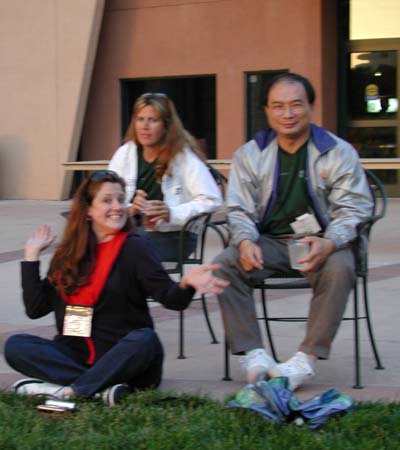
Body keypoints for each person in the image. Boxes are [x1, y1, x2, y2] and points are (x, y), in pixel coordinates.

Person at [5, 170, 228, 405]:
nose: (118, 207)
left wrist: (186, 284)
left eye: (121, 199)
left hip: (128, 362)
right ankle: (99, 390)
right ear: (88, 211)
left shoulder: (134, 248)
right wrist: (31, 258)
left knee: (145, 338)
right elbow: (35, 308)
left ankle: (70, 391)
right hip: (76, 356)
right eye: (107, 200)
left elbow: (172, 299)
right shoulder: (67, 255)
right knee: (16, 346)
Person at [213, 73, 373, 390]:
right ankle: (254, 354)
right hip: (269, 242)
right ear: (267, 111)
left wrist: (330, 242)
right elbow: (239, 208)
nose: (288, 114)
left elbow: (354, 208)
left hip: (320, 242)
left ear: (310, 107)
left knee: (340, 268)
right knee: (223, 265)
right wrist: (245, 241)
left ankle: (305, 360)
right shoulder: (250, 154)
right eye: (278, 106)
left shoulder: (337, 151)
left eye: (296, 105)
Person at [108, 92, 222, 261]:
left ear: (166, 126)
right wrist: (131, 208)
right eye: (140, 119)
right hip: (134, 233)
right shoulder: (125, 154)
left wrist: (171, 213)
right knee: (97, 243)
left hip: (175, 237)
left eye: (153, 120)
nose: (145, 126)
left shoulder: (183, 157)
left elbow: (212, 200)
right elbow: (107, 197)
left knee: (123, 249)